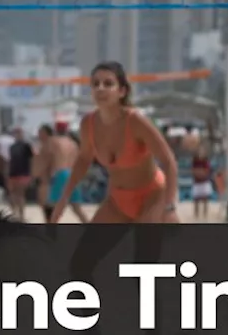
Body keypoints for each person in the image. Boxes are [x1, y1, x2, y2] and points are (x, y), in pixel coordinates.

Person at [50, 61, 180, 226]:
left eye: (108, 84)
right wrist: (63, 199)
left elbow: (168, 161)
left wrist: (169, 208)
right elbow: (83, 160)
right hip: (118, 200)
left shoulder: (135, 121)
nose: (100, 88)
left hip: (152, 196)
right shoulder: (88, 124)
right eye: (95, 84)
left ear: (122, 91)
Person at [41, 123, 90, 224]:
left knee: (52, 207)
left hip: (60, 173)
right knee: (76, 207)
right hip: (72, 174)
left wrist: (45, 175)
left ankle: (50, 234)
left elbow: (48, 158)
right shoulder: (73, 143)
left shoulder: (53, 141)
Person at [6, 128, 35, 220]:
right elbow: (11, 160)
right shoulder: (12, 147)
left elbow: (32, 159)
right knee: (13, 194)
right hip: (14, 172)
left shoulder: (26, 146)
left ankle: (21, 215)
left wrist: (32, 173)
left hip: (23, 172)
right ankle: (16, 213)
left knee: (20, 194)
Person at [190, 146, 213, 219]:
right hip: (197, 182)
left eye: (202, 152)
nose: (201, 153)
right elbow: (193, 171)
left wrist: (200, 173)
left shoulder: (206, 162)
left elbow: (207, 172)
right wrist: (199, 173)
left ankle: (205, 215)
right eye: (200, 151)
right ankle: (196, 215)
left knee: (205, 199)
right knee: (196, 199)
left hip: (204, 182)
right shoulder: (195, 162)